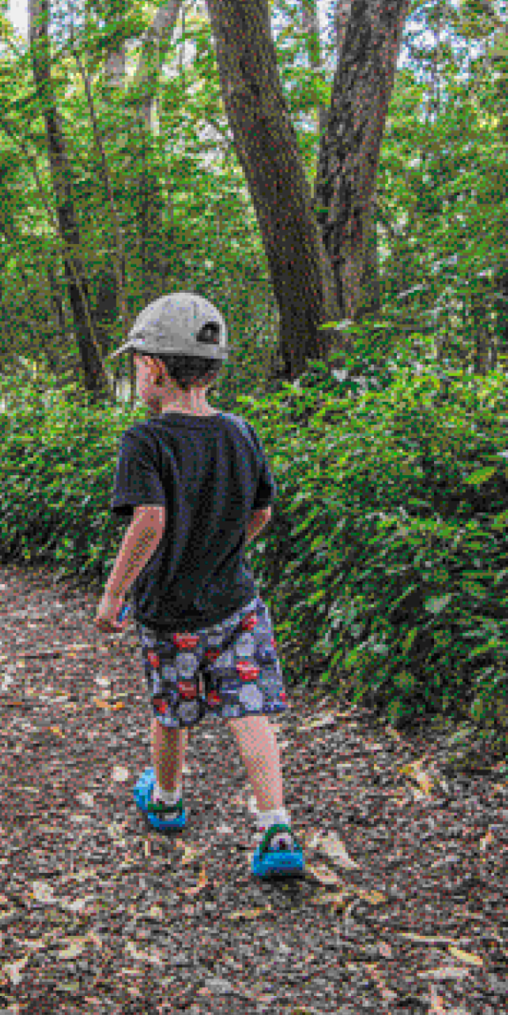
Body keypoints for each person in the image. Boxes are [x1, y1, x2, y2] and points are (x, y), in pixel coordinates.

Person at [95, 292, 304, 879]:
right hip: (236, 605)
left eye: (136, 362)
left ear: (155, 370)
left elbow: (150, 521)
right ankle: (275, 828)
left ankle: (166, 801)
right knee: (251, 710)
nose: (136, 372)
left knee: (171, 711)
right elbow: (260, 513)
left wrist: (115, 594)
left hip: (169, 613)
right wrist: (223, 547)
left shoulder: (146, 441)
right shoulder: (240, 432)